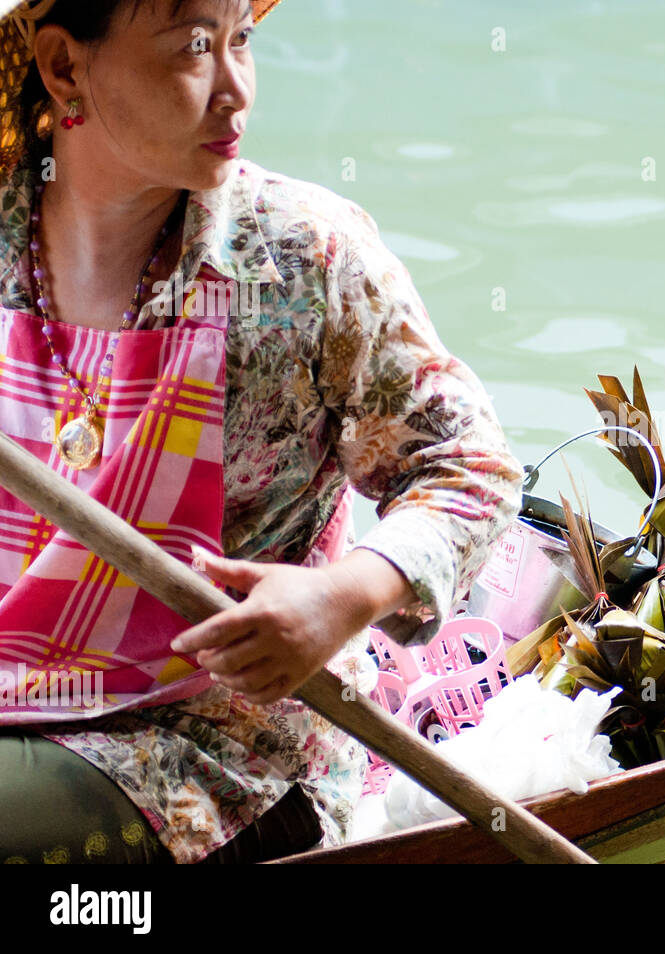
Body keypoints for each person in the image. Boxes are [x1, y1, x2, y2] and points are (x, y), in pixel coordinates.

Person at [0, 0, 523, 863]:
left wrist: (344, 595)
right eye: (196, 49)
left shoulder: (301, 258)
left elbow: (469, 468)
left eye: (242, 40)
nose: (236, 90)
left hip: (206, 750)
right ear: (63, 69)